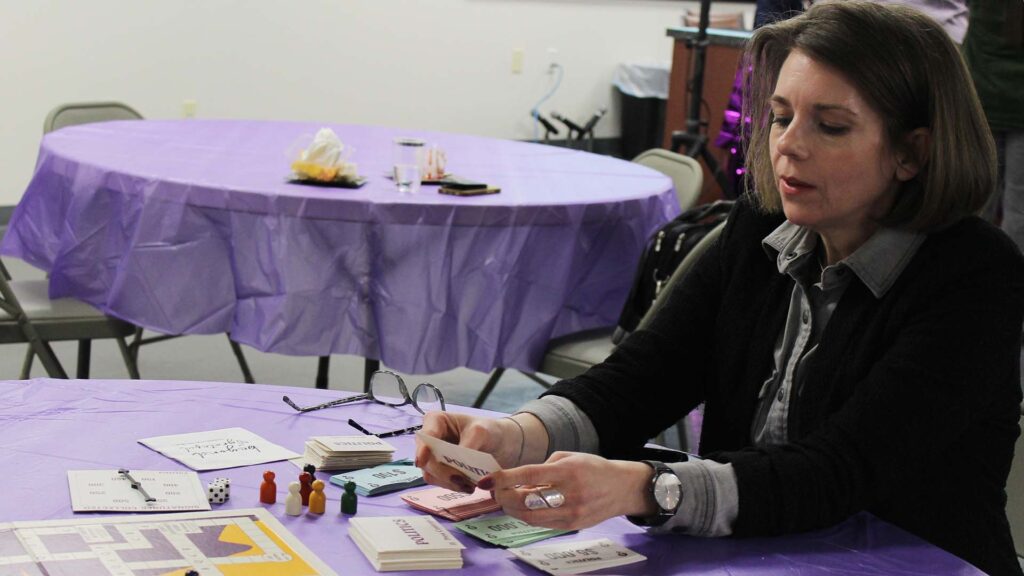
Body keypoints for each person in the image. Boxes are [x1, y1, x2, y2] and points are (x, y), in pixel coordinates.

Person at [416, 2, 1024, 575]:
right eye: (781, 116)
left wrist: (646, 487)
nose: (787, 144)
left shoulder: (974, 275)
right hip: (763, 555)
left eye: (831, 126)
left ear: (911, 153)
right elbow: (642, 378)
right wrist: (514, 435)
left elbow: (839, 471)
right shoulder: (760, 226)